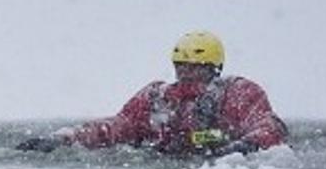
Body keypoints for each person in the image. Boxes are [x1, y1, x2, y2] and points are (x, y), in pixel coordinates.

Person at [15, 30, 287, 157]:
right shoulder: (157, 99)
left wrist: (243, 147)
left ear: (214, 69)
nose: (187, 75)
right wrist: (67, 138)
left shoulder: (238, 94)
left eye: (196, 69)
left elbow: (269, 127)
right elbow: (116, 127)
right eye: (182, 67)